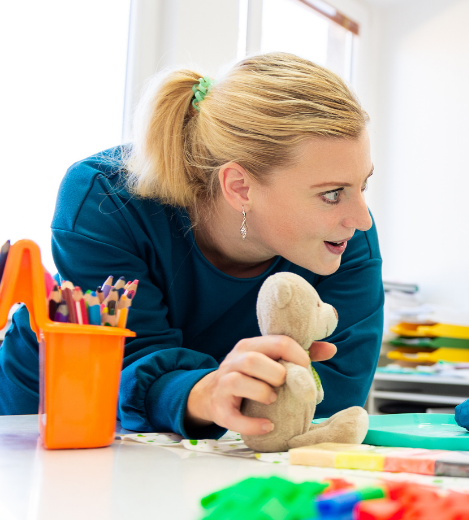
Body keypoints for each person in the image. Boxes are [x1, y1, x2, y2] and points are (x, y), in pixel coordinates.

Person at [0, 53, 383, 440]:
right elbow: (128, 362)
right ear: (240, 187)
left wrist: (240, 400)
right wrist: (211, 393)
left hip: (207, 436)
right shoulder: (104, 199)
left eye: (362, 185)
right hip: (51, 412)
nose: (362, 220)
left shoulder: (344, 239)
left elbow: (333, 400)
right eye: (332, 193)